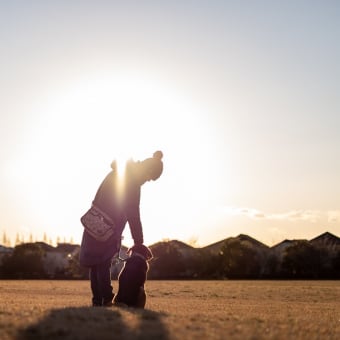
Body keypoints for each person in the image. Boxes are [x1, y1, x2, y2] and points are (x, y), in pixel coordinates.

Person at [79, 151, 164, 306]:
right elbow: (133, 213)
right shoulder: (133, 182)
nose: (148, 181)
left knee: (95, 263)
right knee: (104, 263)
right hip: (109, 227)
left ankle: (98, 300)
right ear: (148, 170)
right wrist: (139, 241)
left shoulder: (117, 172)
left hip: (94, 221)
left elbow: (97, 197)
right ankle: (106, 298)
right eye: (150, 178)